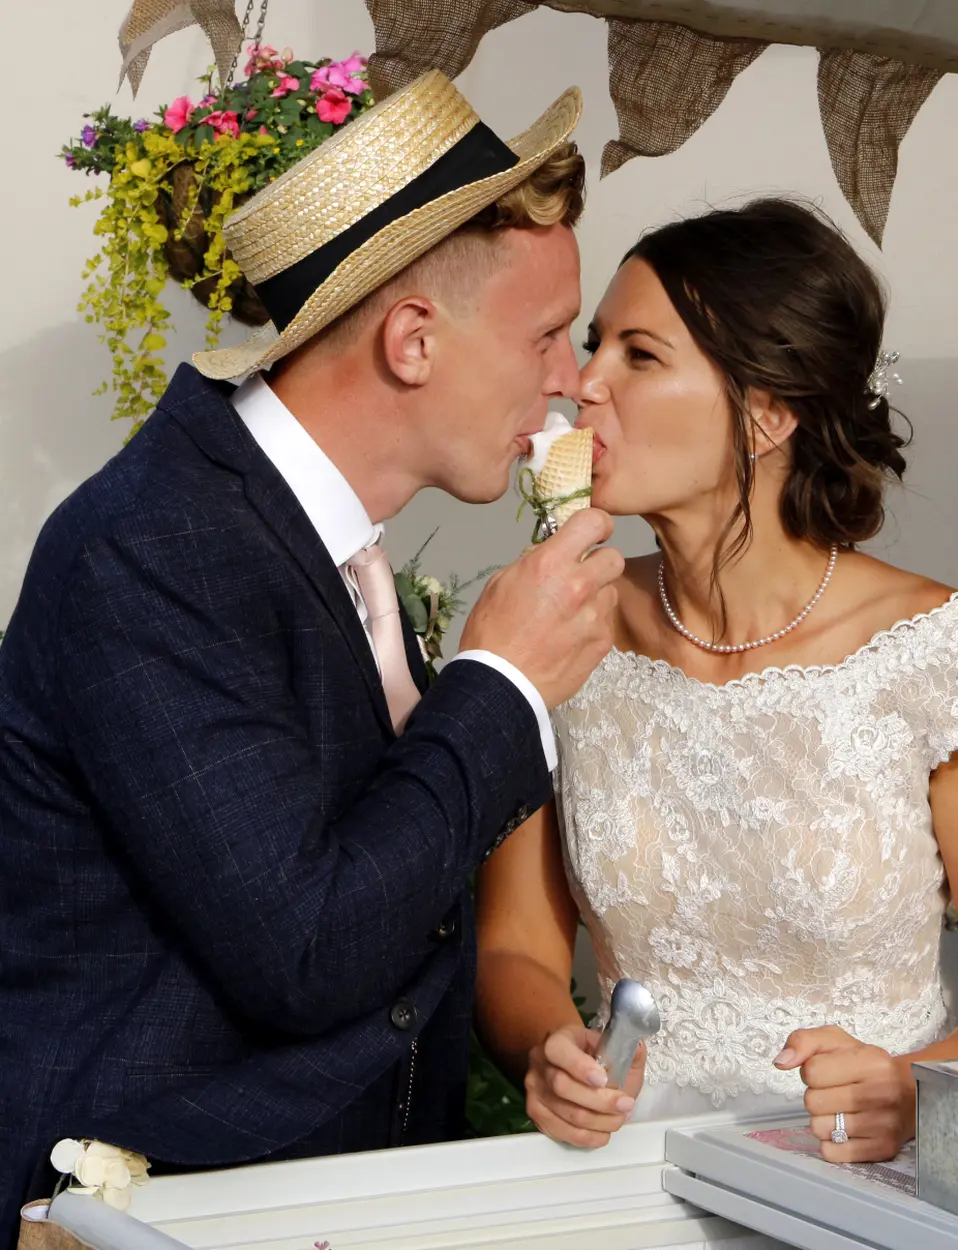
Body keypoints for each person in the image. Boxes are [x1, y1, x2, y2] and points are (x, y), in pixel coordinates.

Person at [0, 73, 623, 1220]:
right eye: (545, 334)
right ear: (413, 340)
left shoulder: (335, 553)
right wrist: (498, 682)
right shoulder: (153, 549)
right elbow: (309, 949)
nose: (571, 382)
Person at [475, 198, 958, 1164]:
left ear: (766, 414)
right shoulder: (560, 632)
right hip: (626, 1182)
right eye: (595, 346)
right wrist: (546, 1043)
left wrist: (913, 1090)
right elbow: (515, 948)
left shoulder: (947, 653)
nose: (582, 384)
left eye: (638, 356)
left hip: (863, 1180)